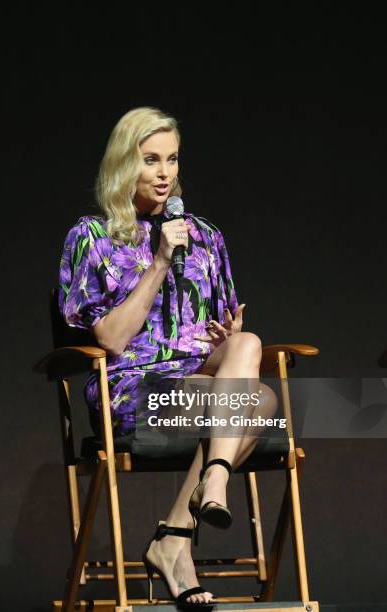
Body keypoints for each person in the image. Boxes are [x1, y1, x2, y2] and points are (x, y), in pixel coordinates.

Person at [59, 107, 278, 608]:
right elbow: (111, 340)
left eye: (172, 159)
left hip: (200, 386)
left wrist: (227, 337)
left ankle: (187, 517)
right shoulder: (92, 237)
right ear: (123, 164)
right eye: (151, 160)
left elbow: (224, 332)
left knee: (248, 347)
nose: (164, 173)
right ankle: (181, 532)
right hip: (134, 392)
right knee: (255, 405)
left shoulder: (206, 236)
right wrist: (158, 262)